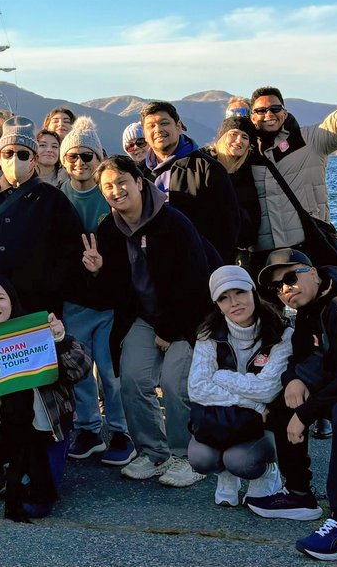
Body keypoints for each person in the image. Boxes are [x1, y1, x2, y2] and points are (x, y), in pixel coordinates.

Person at [81, 155, 220, 488]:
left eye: (122, 182)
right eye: (108, 186)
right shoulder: (109, 229)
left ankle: (188, 456)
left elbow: (196, 280)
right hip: (145, 316)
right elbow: (112, 293)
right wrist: (98, 270)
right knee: (131, 377)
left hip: (190, 317)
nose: (116, 191)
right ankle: (152, 452)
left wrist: (171, 330)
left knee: (174, 383)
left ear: (139, 182)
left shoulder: (173, 222)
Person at [252, 249, 337, 558]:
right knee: (284, 401)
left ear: (315, 273)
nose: (286, 289)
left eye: (291, 278)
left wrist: (305, 414)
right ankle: (299, 494)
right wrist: (293, 379)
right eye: (278, 287)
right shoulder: (309, 309)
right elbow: (300, 355)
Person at [0, 275, 90, 520]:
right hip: (1, 426)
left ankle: (21, 469)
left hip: (46, 429)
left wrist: (60, 340)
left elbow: (82, 368)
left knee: (37, 506)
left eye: (1, 298)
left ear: (12, 301)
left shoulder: (37, 330)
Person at [249, 33, 337, 262]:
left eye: (275, 108)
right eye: (261, 111)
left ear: (284, 112)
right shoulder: (243, 154)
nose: (269, 115)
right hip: (265, 256)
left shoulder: (310, 139)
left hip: (311, 248)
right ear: (251, 116)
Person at [55, 117, 133, 468]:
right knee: (81, 371)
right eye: (72, 156)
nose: (79, 164)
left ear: (99, 156)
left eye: (87, 157)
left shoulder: (111, 196)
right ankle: (88, 429)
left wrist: (103, 268)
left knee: (111, 371)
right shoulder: (56, 197)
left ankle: (121, 430)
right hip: (74, 300)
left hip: (110, 300)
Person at [186, 265, 293, 511]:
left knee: (240, 460)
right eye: (223, 298)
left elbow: (268, 390)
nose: (234, 302)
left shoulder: (281, 333)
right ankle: (225, 477)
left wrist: (221, 376)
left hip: (263, 425)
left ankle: (268, 471)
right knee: (200, 457)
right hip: (226, 419)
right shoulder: (208, 334)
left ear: (253, 291)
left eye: (239, 292)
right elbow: (198, 388)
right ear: (216, 304)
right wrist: (252, 402)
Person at [0, 118, 80, 317]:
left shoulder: (53, 199)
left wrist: (49, 287)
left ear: (34, 158)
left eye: (23, 154)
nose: (15, 159)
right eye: (8, 153)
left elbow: (70, 251)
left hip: (37, 309)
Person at [139, 100, 241, 264]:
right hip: (151, 269)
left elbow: (227, 227)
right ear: (144, 134)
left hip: (198, 265)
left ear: (178, 126)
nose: (158, 130)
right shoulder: (139, 174)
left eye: (164, 123)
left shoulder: (208, 168)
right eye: (151, 126)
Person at [206, 116, 263, 265]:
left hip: (238, 253)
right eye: (233, 134)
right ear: (221, 137)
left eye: (244, 137)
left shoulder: (249, 172)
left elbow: (253, 216)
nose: (239, 141)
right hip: (205, 250)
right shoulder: (201, 164)